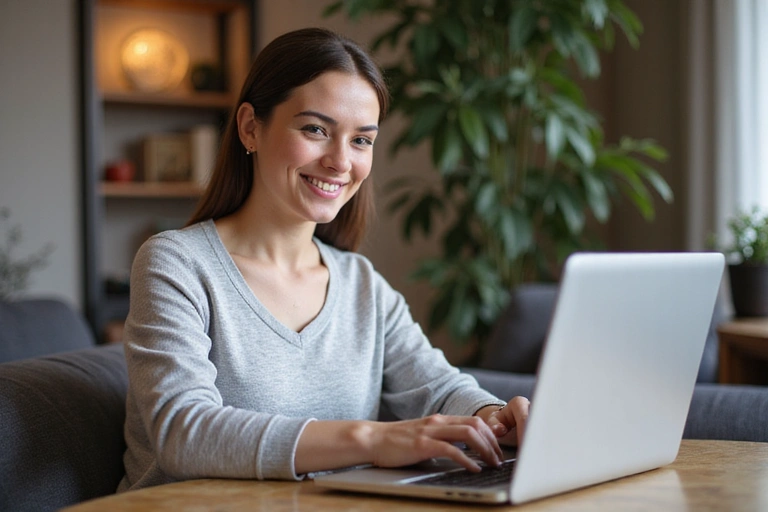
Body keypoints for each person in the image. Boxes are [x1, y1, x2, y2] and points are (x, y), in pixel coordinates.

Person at [118, 27, 530, 492]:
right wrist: (372, 439)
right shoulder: (176, 263)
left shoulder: (360, 283)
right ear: (250, 126)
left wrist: (494, 417)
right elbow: (185, 434)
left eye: (361, 140)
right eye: (316, 129)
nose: (340, 161)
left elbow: (437, 387)